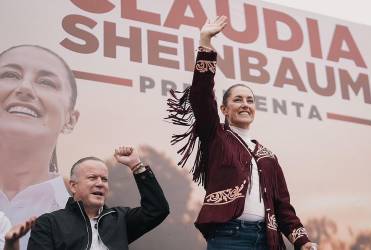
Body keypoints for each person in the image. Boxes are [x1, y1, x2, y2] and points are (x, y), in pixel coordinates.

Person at [167, 16, 314, 250]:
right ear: (224, 109)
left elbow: (283, 207)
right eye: (237, 99)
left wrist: (302, 240)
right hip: (229, 236)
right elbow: (201, 96)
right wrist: (205, 43)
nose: (245, 104)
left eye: (250, 100)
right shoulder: (216, 137)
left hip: (268, 240)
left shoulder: (268, 156)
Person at [0, 45, 79, 247]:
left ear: (70, 120)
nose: (24, 88)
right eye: (10, 74)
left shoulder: (81, 215)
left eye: (46, 82)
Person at [27, 146, 169, 249]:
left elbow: (157, 210)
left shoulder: (120, 219)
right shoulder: (48, 223)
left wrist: (136, 166)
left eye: (104, 179)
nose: (100, 184)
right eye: (92, 178)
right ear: (73, 186)